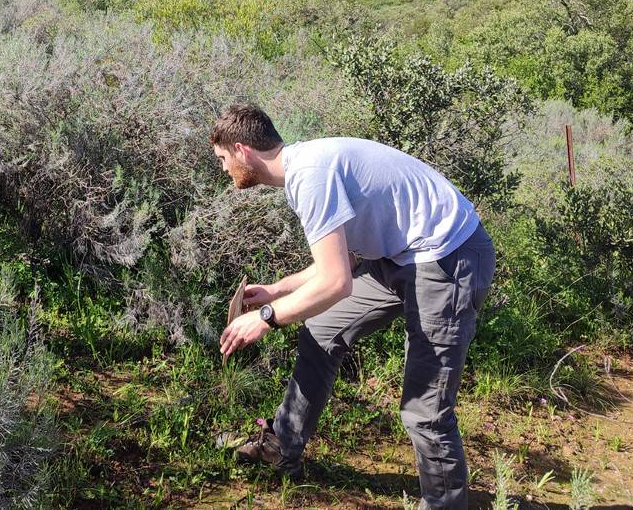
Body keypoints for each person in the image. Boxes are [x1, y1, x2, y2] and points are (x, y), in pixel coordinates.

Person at [212, 104, 495, 510]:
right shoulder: (304, 170)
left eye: (223, 158)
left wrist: (266, 319)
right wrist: (276, 290)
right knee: (321, 330)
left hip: (449, 258)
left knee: (425, 410)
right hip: (399, 258)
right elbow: (341, 260)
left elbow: (336, 283)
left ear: (242, 150)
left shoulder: (311, 176)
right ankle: (280, 447)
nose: (224, 168)